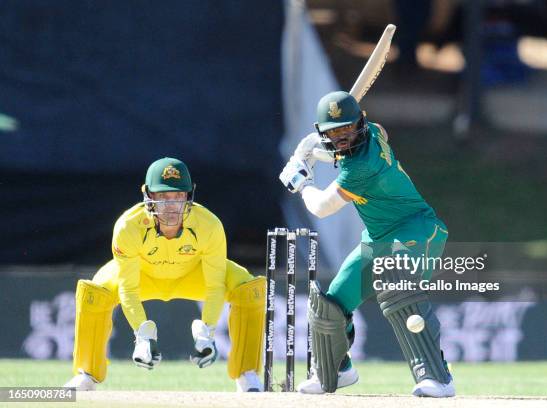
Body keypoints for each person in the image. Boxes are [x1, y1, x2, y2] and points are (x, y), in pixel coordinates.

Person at [279, 91, 455, 397]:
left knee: (398, 285)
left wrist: (302, 181)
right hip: (377, 239)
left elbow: (322, 207)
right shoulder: (372, 131)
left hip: (417, 230)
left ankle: (437, 379)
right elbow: (360, 140)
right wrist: (311, 149)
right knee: (330, 305)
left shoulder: (359, 168)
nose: (343, 137)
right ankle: (335, 370)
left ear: (360, 122)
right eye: (335, 132)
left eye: (348, 129)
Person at [64, 157, 266, 392]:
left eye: (178, 196)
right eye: (163, 197)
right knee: (95, 293)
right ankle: (86, 375)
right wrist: (142, 333)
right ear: (148, 196)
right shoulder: (128, 227)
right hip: (144, 275)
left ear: (188, 196)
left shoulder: (209, 225)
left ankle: (247, 374)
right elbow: (128, 289)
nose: (171, 206)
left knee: (248, 289)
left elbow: (214, 286)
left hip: (193, 274)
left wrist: (207, 332)